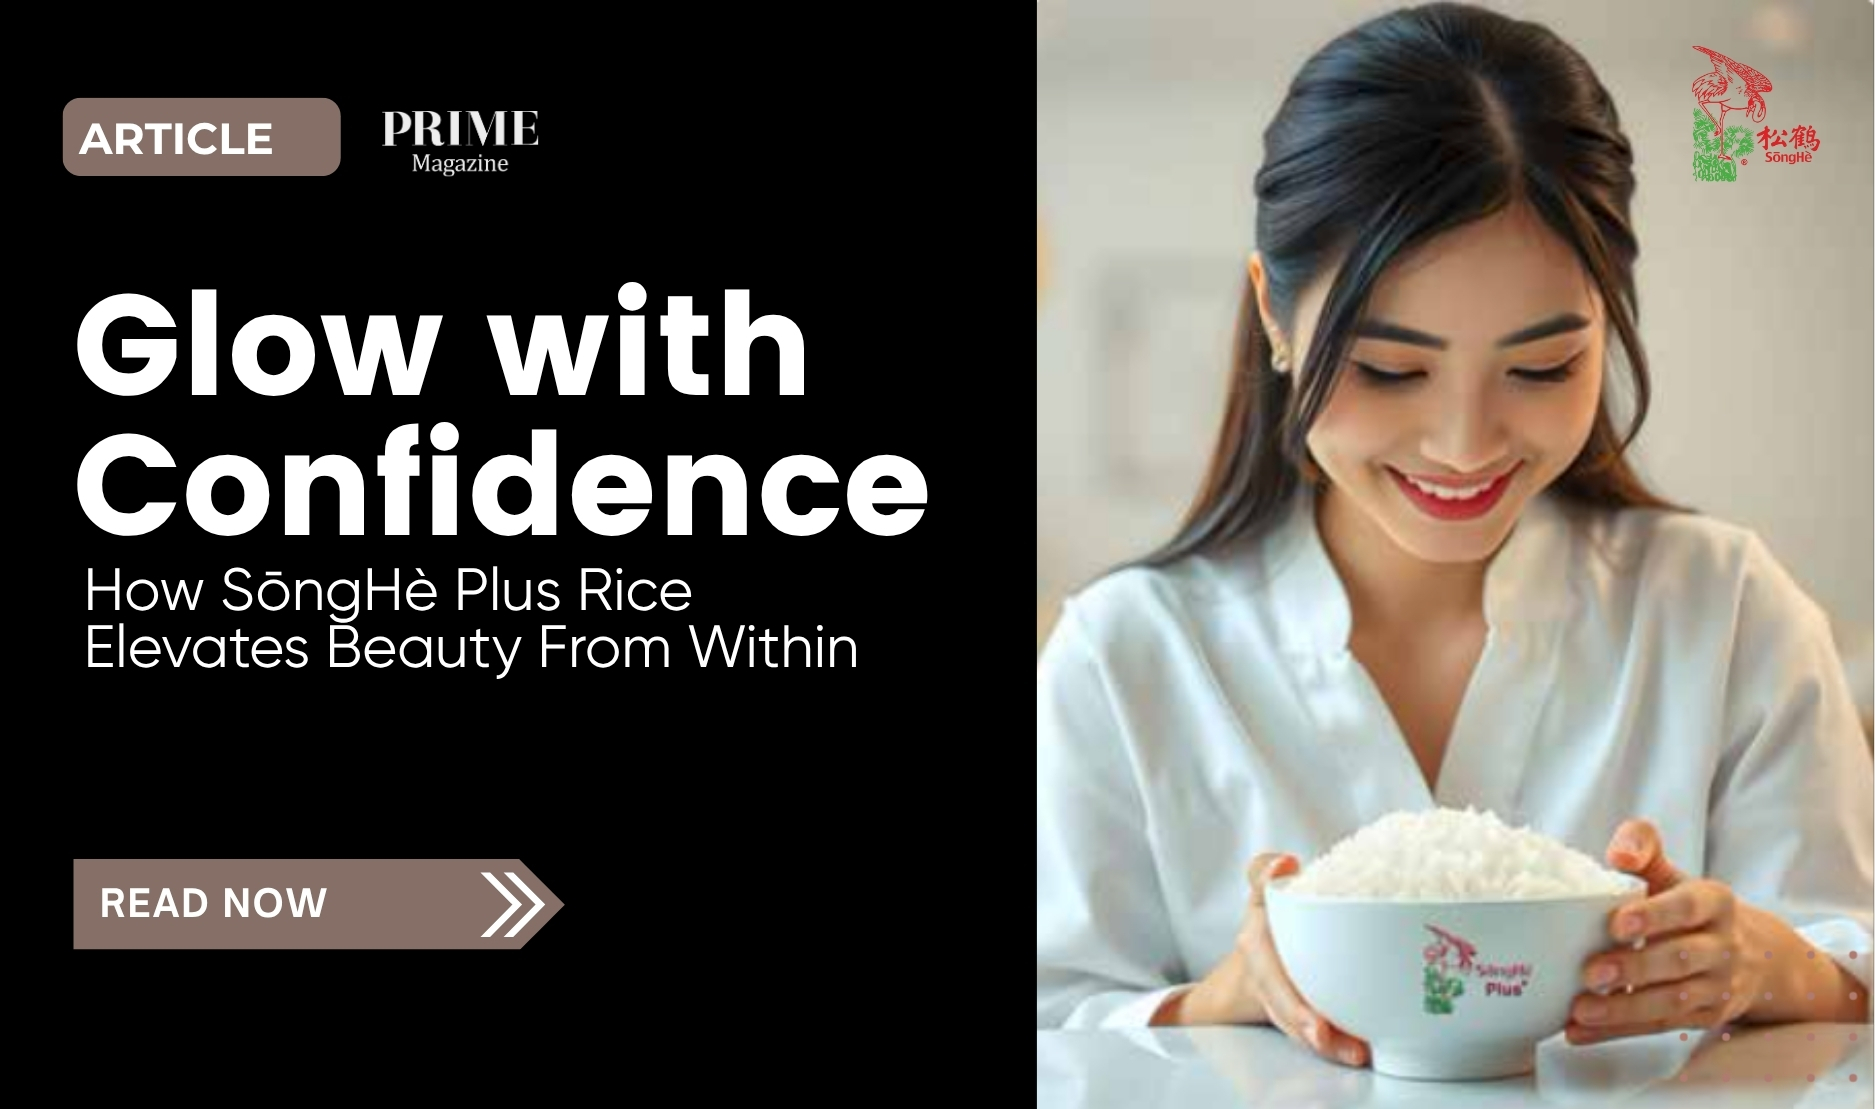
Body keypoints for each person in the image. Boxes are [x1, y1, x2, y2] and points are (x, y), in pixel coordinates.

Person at [1034, 2, 1873, 1070]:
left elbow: (1852, 948)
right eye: (1391, 369)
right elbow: (1055, 1009)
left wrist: (1766, 962)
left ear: (1606, 329)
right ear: (1278, 318)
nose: (1465, 444)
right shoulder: (1127, 654)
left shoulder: (1725, 608)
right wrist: (1222, 996)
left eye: (1541, 367)